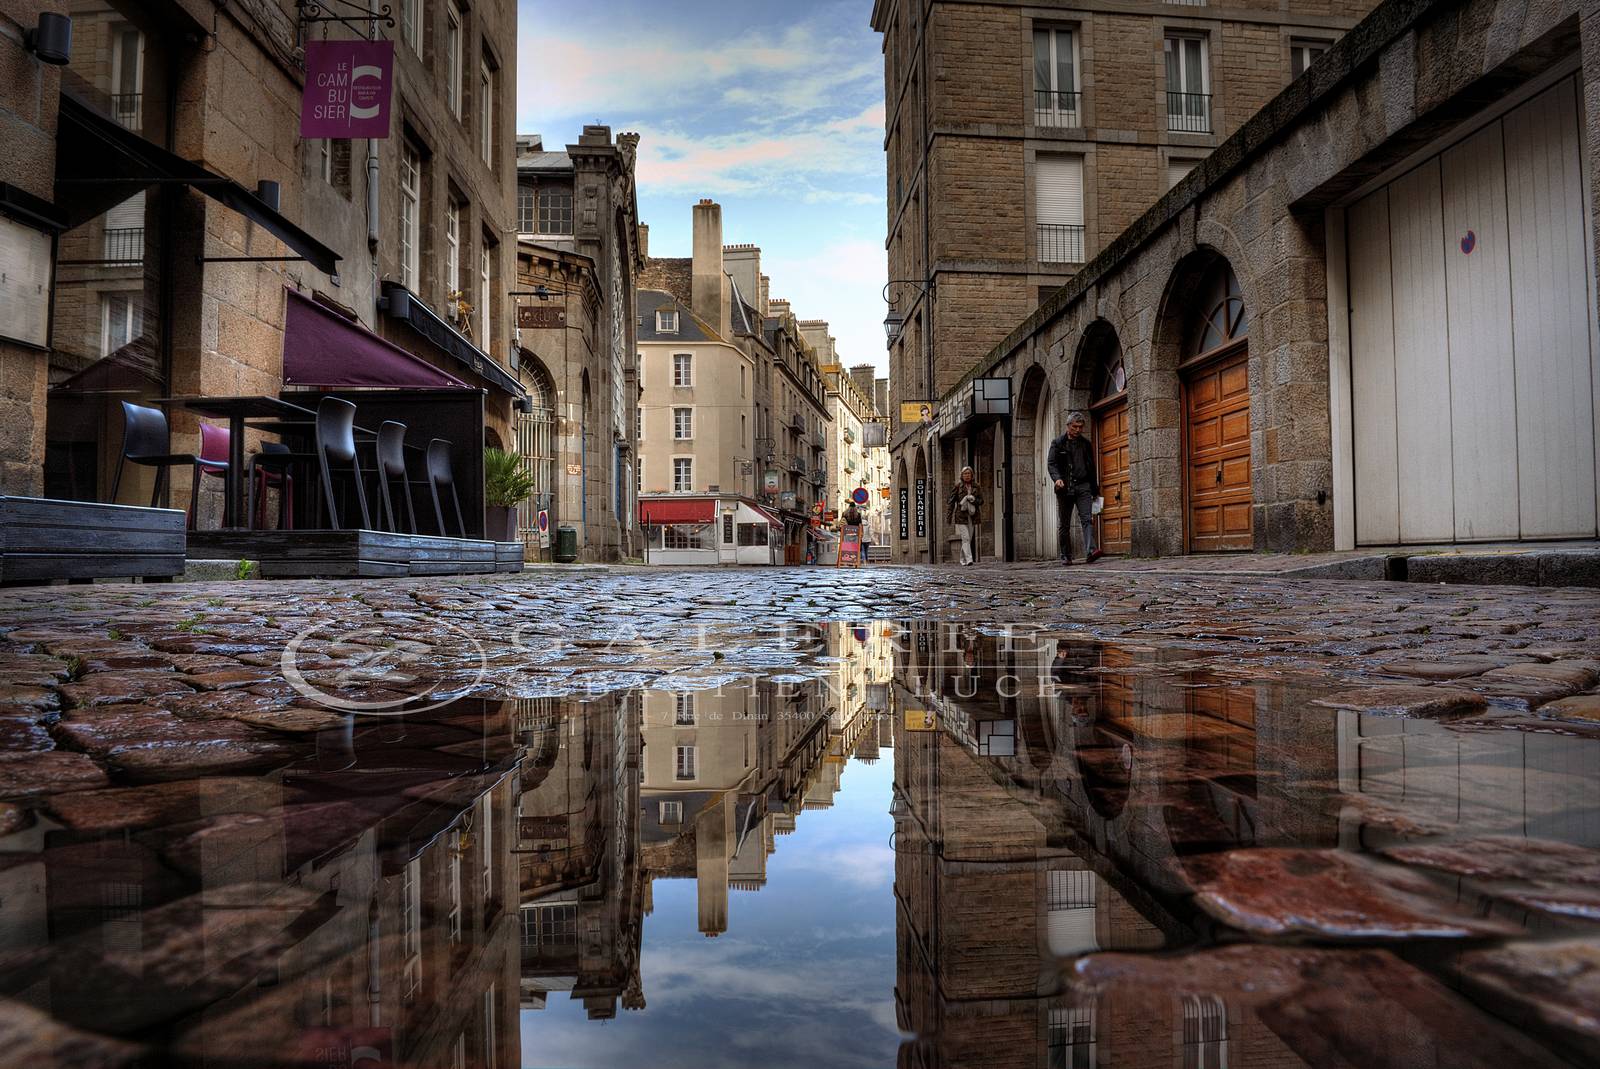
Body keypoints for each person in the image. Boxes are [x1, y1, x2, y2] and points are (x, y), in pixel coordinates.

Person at [1047, 410, 1102, 564]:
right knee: (1064, 524)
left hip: (1083, 486)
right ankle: (1066, 555)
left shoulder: (1086, 444)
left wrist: (1094, 489)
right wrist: (1057, 479)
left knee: (1086, 519)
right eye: (1075, 427)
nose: (1078, 430)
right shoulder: (1057, 443)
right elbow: (1051, 464)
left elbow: (1091, 467)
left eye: (1080, 427)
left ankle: (1091, 551)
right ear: (1068, 425)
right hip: (1065, 488)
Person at [946, 466, 983, 566]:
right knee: (966, 538)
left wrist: (974, 499)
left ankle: (962, 559)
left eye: (968, 473)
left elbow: (981, 501)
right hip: (961, 516)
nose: (967, 475)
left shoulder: (976, 486)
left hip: (972, 515)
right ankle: (969, 559)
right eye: (965, 474)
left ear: (972, 475)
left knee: (968, 539)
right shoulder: (958, 487)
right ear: (962, 476)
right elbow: (951, 502)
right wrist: (949, 517)